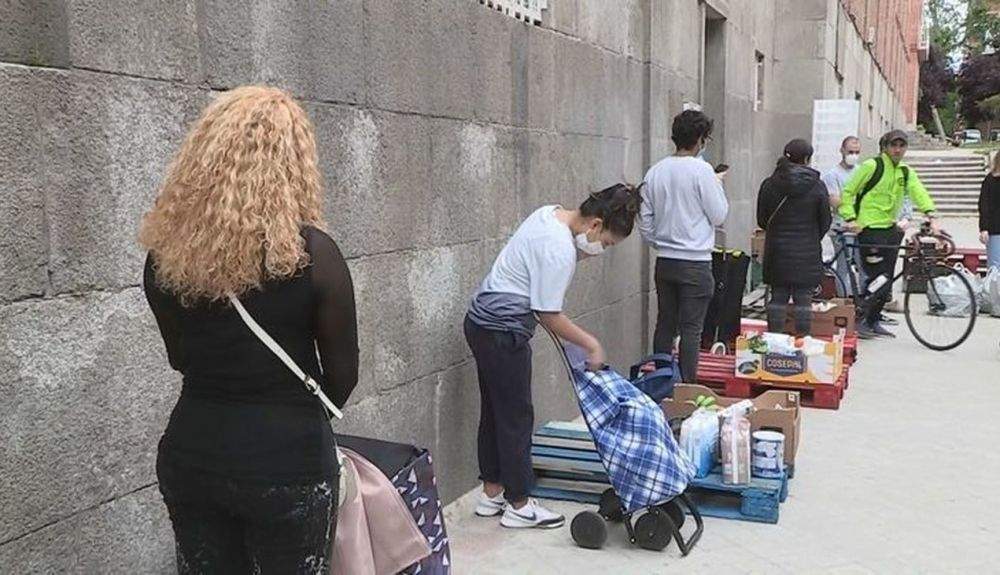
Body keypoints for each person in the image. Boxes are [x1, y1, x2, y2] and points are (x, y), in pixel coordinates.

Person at [140, 86, 358, 572]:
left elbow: (180, 358)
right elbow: (342, 378)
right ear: (295, 164)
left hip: (193, 452)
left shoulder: (165, 258)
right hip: (288, 463)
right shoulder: (315, 256)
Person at [464, 184, 641, 529]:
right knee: (516, 416)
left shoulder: (549, 213)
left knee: (495, 411)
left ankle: (491, 493)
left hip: (480, 322)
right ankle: (519, 504)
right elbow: (548, 313)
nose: (601, 250)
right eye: (606, 243)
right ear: (595, 225)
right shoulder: (559, 248)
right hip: (503, 331)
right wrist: (591, 344)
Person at [640, 110, 729, 382]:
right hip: (696, 262)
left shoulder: (655, 171)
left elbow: (645, 218)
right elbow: (719, 215)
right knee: (691, 328)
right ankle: (686, 389)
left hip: (665, 261)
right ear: (701, 139)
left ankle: (661, 381)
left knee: (665, 324)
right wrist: (718, 184)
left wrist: (659, 242)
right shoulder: (703, 172)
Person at [840, 130, 939, 339]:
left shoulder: (904, 171)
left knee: (886, 280)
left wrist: (931, 213)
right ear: (885, 147)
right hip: (869, 230)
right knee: (878, 277)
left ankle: (873, 320)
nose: (897, 150)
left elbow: (918, 191)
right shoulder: (872, 166)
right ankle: (862, 318)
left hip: (890, 230)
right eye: (894, 145)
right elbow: (847, 192)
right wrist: (850, 219)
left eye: (902, 146)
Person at [757, 139, 832, 335]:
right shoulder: (817, 186)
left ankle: (774, 341)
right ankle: (803, 343)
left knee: (778, 297)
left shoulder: (769, 184)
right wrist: (812, 236)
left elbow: (762, 220)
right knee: (804, 300)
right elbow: (825, 221)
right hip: (807, 253)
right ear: (807, 159)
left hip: (777, 253)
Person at [821, 136, 865, 296]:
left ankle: (863, 302)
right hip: (841, 226)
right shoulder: (832, 176)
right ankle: (844, 300)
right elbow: (835, 202)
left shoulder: (862, 172)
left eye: (857, 152)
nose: (853, 155)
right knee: (844, 266)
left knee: (863, 265)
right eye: (850, 151)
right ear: (842, 151)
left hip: (861, 226)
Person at [980, 151, 1000, 269]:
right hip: (995, 229)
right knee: (995, 268)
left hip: (994, 229)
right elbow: (984, 205)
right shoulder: (990, 180)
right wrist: (984, 228)